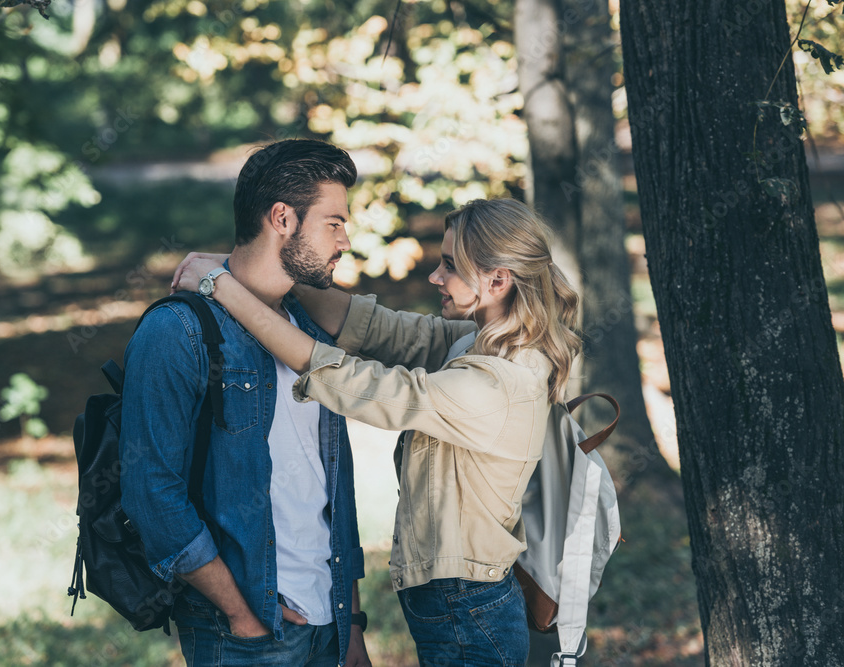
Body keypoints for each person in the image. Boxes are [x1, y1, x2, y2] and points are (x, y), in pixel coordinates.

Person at [172, 197, 582, 666]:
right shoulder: (484, 340)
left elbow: (353, 383)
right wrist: (258, 271)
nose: (435, 277)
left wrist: (221, 286)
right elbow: (379, 329)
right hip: (462, 604)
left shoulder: (497, 382)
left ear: (498, 279)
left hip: (469, 611)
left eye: (449, 265)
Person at [121, 139, 372, 667]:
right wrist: (242, 615)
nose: (346, 240)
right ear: (282, 217)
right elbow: (151, 491)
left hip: (329, 622)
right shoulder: (177, 331)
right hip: (247, 637)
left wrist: (350, 623)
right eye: (334, 223)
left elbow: (333, 482)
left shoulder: (307, 332)